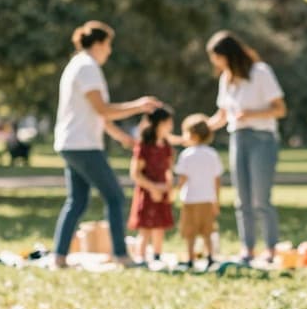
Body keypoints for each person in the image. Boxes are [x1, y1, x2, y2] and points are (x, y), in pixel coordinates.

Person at [51, 21, 162, 269]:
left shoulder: (76, 65)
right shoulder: (88, 67)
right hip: (83, 145)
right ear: (99, 43)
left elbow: (95, 113)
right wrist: (140, 105)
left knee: (77, 201)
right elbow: (103, 109)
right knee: (115, 197)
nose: (109, 51)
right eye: (109, 45)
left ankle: (59, 257)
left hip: (71, 143)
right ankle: (121, 255)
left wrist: (119, 136)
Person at [205, 30, 286, 264]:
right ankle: (247, 248)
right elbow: (221, 115)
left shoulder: (260, 72)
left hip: (262, 139)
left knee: (261, 198)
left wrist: (252, 113)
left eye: (218, 58)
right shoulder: (227, 79)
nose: (216, 64)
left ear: (229, 54)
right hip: (238, 138)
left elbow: (280, 109)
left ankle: (270, 248)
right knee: (242, 199)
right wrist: (198, 130)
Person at [127, 107, 176, 265]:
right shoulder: (144, 146)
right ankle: (140, 257)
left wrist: (168, 188)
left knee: (160, 226)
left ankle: (157, 255)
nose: (171, 125)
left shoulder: (166, 146)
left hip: (162, 192)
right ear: (159, 123)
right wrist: (153, 188)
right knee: (145, 228)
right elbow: (135, 174)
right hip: (147, 193)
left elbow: (169, 169)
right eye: (168, 122)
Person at [175, 113, 224, 269]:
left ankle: (190, 259)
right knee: (207, 231)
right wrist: (216, 200)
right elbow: (217, 180)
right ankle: (210, 257)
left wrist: (176, 192)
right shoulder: (212, 154)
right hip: (207, 199)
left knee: (190, 232)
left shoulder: (186, 155)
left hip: (190, 200)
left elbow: (182, 179)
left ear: (192, 135)